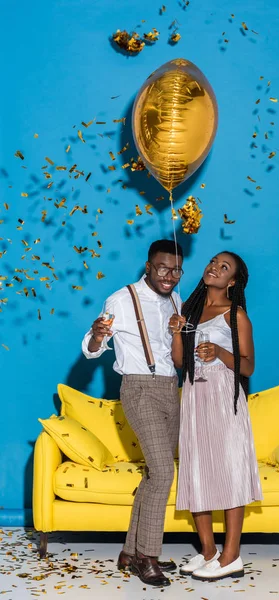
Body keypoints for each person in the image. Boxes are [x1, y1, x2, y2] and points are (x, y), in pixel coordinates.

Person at [82, 239, 183, 588]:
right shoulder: (121, 300)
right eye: (162, 268)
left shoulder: (175, 297)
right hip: (139, 389)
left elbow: (173, 350)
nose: (169, 275)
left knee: (154, 477)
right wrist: (96, 337)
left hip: (171, 389)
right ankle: (147, 557)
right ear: (148, 266)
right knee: (163, 472)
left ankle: (129, 551)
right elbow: (93, 349)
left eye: (175, 269)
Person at [169, 251, 263, 582]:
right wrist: (176, 331)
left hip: (225, 399)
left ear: (233, 281)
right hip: (195, 396)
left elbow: (248, 366)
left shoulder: (235, 315)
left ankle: (232, 555)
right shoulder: (189, 310)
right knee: (197, 471)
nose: (215, 268)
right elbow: (180, 363)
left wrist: (222, 352)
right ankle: (209, 552)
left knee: (230, 471)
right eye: (213, 262)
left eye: (224, 268)